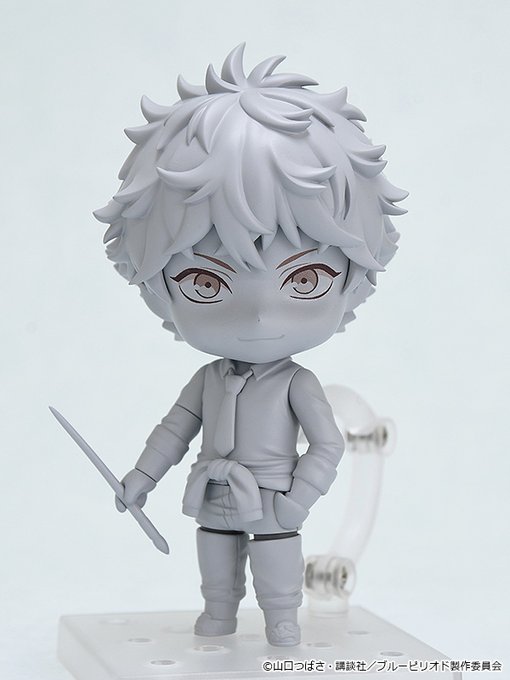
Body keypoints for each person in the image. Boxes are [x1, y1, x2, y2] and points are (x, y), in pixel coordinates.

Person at [94, 43, 407, 647]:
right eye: (206, 283)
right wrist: (141, 475)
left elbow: (327, 443)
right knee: (215, 556)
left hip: (274, 495)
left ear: (354, 279)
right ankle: (219, 613)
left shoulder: (296, 384)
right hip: (212, 489)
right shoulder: (208, 380)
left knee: (276, 560)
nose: (261, 317)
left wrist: (298, 499)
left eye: (305, 280)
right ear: (156, 286)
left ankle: (282, 616)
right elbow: (175, 429)